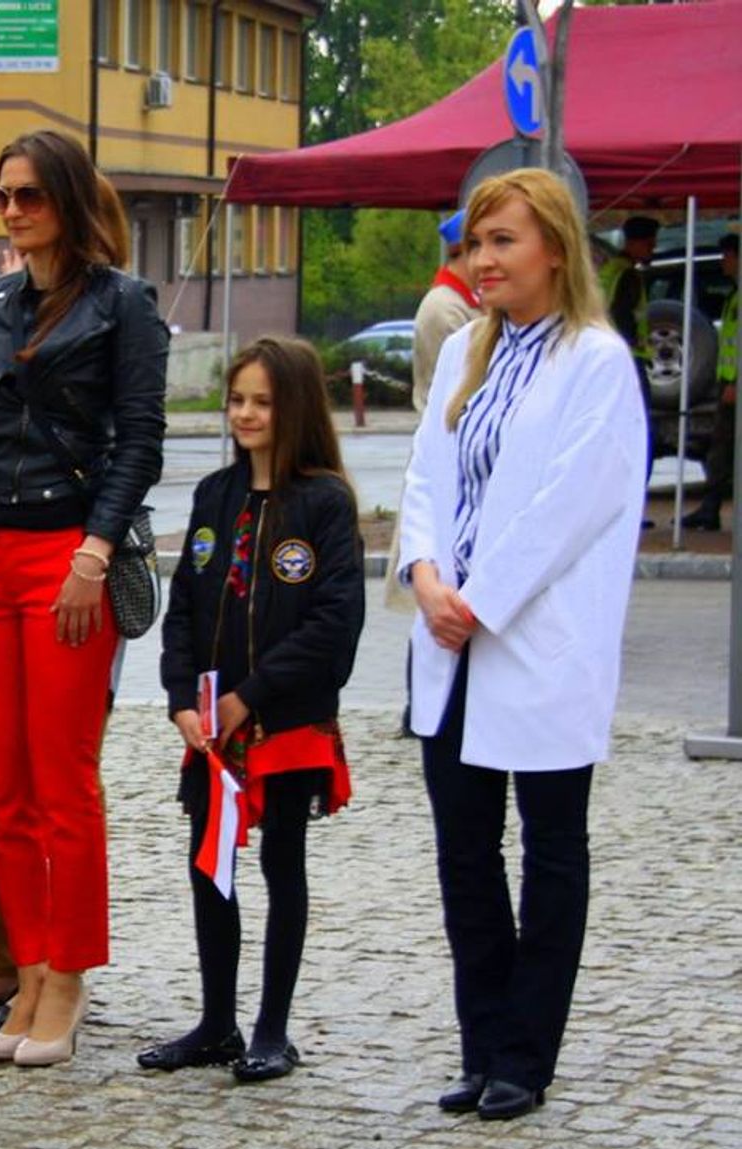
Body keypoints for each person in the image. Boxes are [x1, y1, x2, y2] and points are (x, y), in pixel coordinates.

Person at [0, 129, 167, 1067]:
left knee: (65, 781)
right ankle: (25, 968)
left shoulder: (124, 303)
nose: (13, 211)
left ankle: (68, 975)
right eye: (1, 196)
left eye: (28, 194)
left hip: (68, 553)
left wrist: (94, 554)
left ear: (66, 199)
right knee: (2, 785)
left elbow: (139, 438)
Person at [399, 168, 646, 1121]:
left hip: (534, 639)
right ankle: (480, 1040)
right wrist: (426, 575)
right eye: (476, 243)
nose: (483, 260)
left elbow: (571, 505)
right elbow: (427, 476)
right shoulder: (468, 348)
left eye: (503, 241)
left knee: (550, 850)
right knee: (465, 853)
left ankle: (525, 1052)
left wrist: (480, 600)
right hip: (450, 636)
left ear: (554, 248)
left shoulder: (596, 361)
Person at [145, 337, 363, 1082]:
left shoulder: (324, 502)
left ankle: (272, 1028)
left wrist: (254, 693)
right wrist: (182, 697)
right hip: (214, 725)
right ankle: (217, 1021)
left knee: (281, 862)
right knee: (210, 863)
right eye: (237, 399)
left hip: (284, 718)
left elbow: (333, 621)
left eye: (262, 402)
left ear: (293, 407)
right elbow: (183, 606)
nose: (245, 414)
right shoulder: (215, 494)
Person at [681, 232, 738, 531]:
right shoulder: (733, 295)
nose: (723, 263)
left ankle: (711, 507)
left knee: (722, 449)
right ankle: (710, 507)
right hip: (726, 382)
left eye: (727, 257)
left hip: (734, 385)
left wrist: (736, 382)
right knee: (720, 449)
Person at [598, 214, 659, 493]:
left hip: (607, 358)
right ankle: (632, 492)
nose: (653, 250)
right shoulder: (628, 276)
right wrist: (633, 343)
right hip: (629, 359)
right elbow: (623, 316)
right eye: (650, 244)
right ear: (635, 243)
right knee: (638, 429)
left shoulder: (609, 269)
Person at [413, 210, 482, 413]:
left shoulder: (462, 301)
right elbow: (463, 387)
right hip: (451, 425)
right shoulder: (445, 308)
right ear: (467, 249)